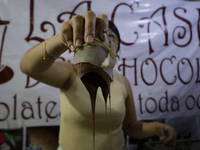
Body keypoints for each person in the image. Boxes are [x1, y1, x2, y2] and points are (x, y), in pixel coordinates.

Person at [20, 11, 176, 150]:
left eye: (110, 36)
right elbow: (29, 67)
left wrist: (156, 128)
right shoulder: (70, 73)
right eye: (97, 35)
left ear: (117, 48)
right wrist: (61, 39)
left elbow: (130, 126)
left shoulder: (123, 82)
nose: (104, 39)